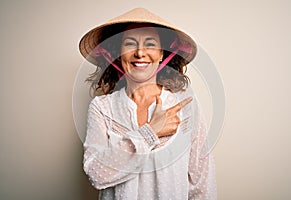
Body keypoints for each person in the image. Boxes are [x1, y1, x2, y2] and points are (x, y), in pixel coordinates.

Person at [79, 7, 217, 200]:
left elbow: (202, 183)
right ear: (118, 53)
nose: (140, 52)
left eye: (150, 44)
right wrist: (150, 133)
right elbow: (96, 173)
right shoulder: (102, 108)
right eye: (130, 44)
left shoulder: (186, 107)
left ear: (162, 54)